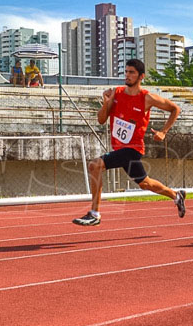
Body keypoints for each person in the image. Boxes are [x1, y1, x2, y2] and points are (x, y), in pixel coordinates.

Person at [73, 58, 187, 226]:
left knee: (95, 165)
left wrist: (163, 132)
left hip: (133, 148)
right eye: (126, 72)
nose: (127, 75)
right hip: (120, 148)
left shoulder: (147, 98)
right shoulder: (116, 93)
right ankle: (176, 195)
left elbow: (175, 109)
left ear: (141, 76)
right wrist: (106, 104)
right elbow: (101, 120)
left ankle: (94, 213)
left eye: (131, 72)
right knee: (144, 183)